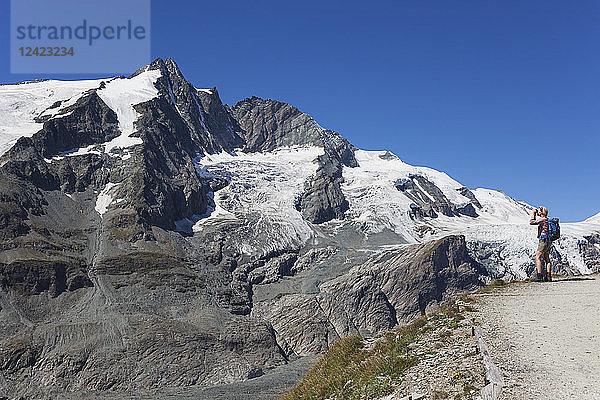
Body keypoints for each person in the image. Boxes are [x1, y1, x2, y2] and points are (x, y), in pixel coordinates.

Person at [530, 206, 552, 282]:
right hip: (549, 241)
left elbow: (532, 222)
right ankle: (548, 276)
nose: (538, 212)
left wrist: (533, 214)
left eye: (539, 211)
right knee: (547, 258)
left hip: (543, 240)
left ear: (542, 212)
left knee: (537, 257)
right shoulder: (548, 219)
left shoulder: (542, 219)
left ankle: (539, 276)